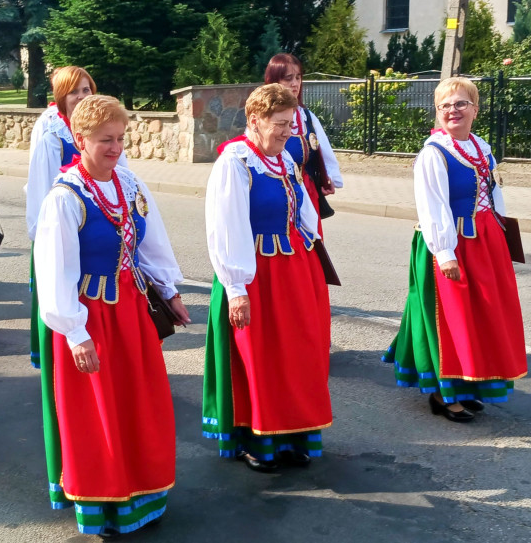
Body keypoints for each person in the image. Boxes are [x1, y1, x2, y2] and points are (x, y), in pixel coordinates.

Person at [34, 95, 188, 536]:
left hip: (132, 314)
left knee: (139, 404)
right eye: (106, 140)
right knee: (98, 411)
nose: (116, 148)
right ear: (79, 139)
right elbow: (55, 273)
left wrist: (169, 290)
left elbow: (150, 243)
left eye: (120, 138)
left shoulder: (130, 184)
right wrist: (75, 333)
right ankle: (104, 507)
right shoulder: (64, 199)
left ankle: (142, 496)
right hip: (91, 319)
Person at [202, 83, 332, 472]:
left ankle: (295, 433)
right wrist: (236, 289)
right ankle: (258, 438)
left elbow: (305, 214)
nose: (286, 131)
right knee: (261, 356)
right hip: (257, 273)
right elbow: (226, 227)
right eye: (279, 124)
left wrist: (312, 260)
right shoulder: (235, 162)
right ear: (254, 120)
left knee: (297, 355)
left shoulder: (285, 161)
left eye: (290, 124)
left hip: (295, 271)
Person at [382, 77, 526, 421]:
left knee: (480, 316)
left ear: (475, 109)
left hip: (485, 241)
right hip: (451, 243)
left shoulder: (482, 147)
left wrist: (502, 234)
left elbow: (494, 195)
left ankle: (467, 385)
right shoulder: (434, 153)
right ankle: (443, 394)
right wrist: (444, 252)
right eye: (444, 105)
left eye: (460, 103)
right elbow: (431, 206)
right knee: (450, 319)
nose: (452, 111)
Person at [27, 66, 127, 368]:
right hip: (64, 227)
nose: (83, 96)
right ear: (62, 98)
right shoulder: (50, 134)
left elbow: (122, 177)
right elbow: (40, 189)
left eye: (87, 90)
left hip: (100, 227)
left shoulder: (108, 129)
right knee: (63, 288)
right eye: (75, 92)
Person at [264, 53, 342, 226]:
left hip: (307, 191)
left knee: (310, 246)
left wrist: (329, 178)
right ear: (273, 81)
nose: (295, 84)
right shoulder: (262, 118)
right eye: (288, 78)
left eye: (298, 77)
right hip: (276, 193)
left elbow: (325, 152)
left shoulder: (307, 117)